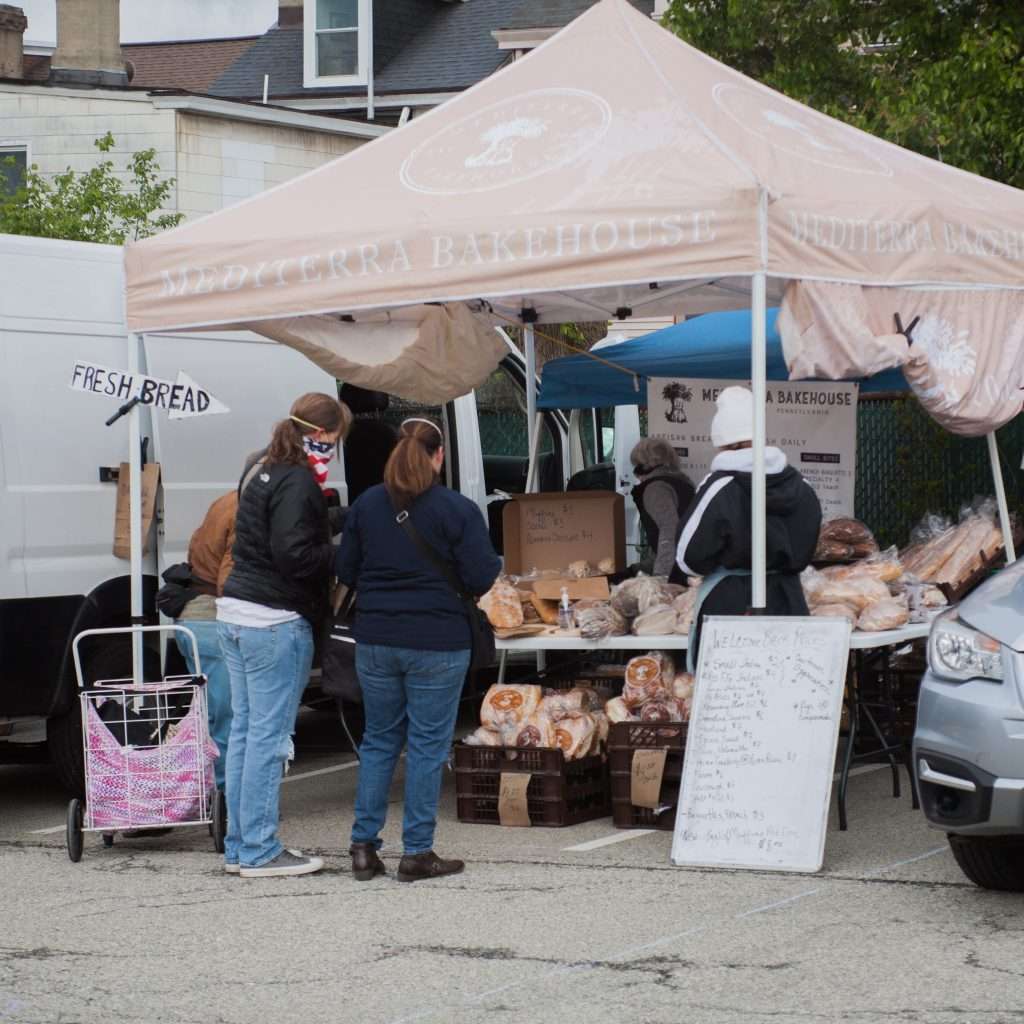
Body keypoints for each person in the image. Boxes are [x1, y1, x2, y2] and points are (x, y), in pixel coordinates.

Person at [336, 418, 501, 884]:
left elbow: (345, 567)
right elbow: (481, 576)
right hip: (437, 641)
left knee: (379, 740)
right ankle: (417, 852)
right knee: (427, 746)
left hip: (376, 638)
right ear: (439, 456)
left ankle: (364, 847)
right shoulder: (457, 509)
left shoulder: (366, 505)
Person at [217, 392, 351, 878]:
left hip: (235, 612)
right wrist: (343, 553)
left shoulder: (261, 466)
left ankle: (238, 846)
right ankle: (259, 849)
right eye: (334, 441)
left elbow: (277, 528)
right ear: (319, 435)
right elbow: (296, 554)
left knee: (246, 736)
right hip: (274, 621)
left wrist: (338, 519)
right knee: (269, 741)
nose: (333, 450)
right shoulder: (298, 480)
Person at [675, 386, 821, 664]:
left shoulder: (719, 488)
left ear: (721, 441)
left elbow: (688, 559)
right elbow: (809, 544)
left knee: (731, 698)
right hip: (789, 602)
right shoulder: (804, 488)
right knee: (785, 685)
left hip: (730, 607)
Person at [175, 490, 237, 792]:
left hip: (192, 616)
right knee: (227, 716)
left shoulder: (224, 501)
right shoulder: (248, 509)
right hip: (214, 618)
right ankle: (225, 797)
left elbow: (195, 550)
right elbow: (230, 578)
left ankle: (197, 790)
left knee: (207, 715)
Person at [629, 438, 695, 578]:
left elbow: (669, 532)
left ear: (646, 466)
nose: (636, 474)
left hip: (678, 573)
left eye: (637, 466)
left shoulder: (656, 489)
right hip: (691, 566)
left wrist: (661, 578)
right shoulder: (684, 483)